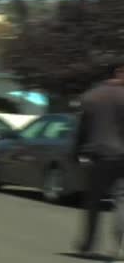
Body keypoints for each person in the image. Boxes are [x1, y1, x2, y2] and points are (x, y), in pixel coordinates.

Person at [73, 58, 124, 259]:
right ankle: (119, 246)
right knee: (122, 200)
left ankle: (88, 245)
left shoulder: (92, 97)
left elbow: (81, 130)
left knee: (93, 202)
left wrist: (76, 153)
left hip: (99, 156)